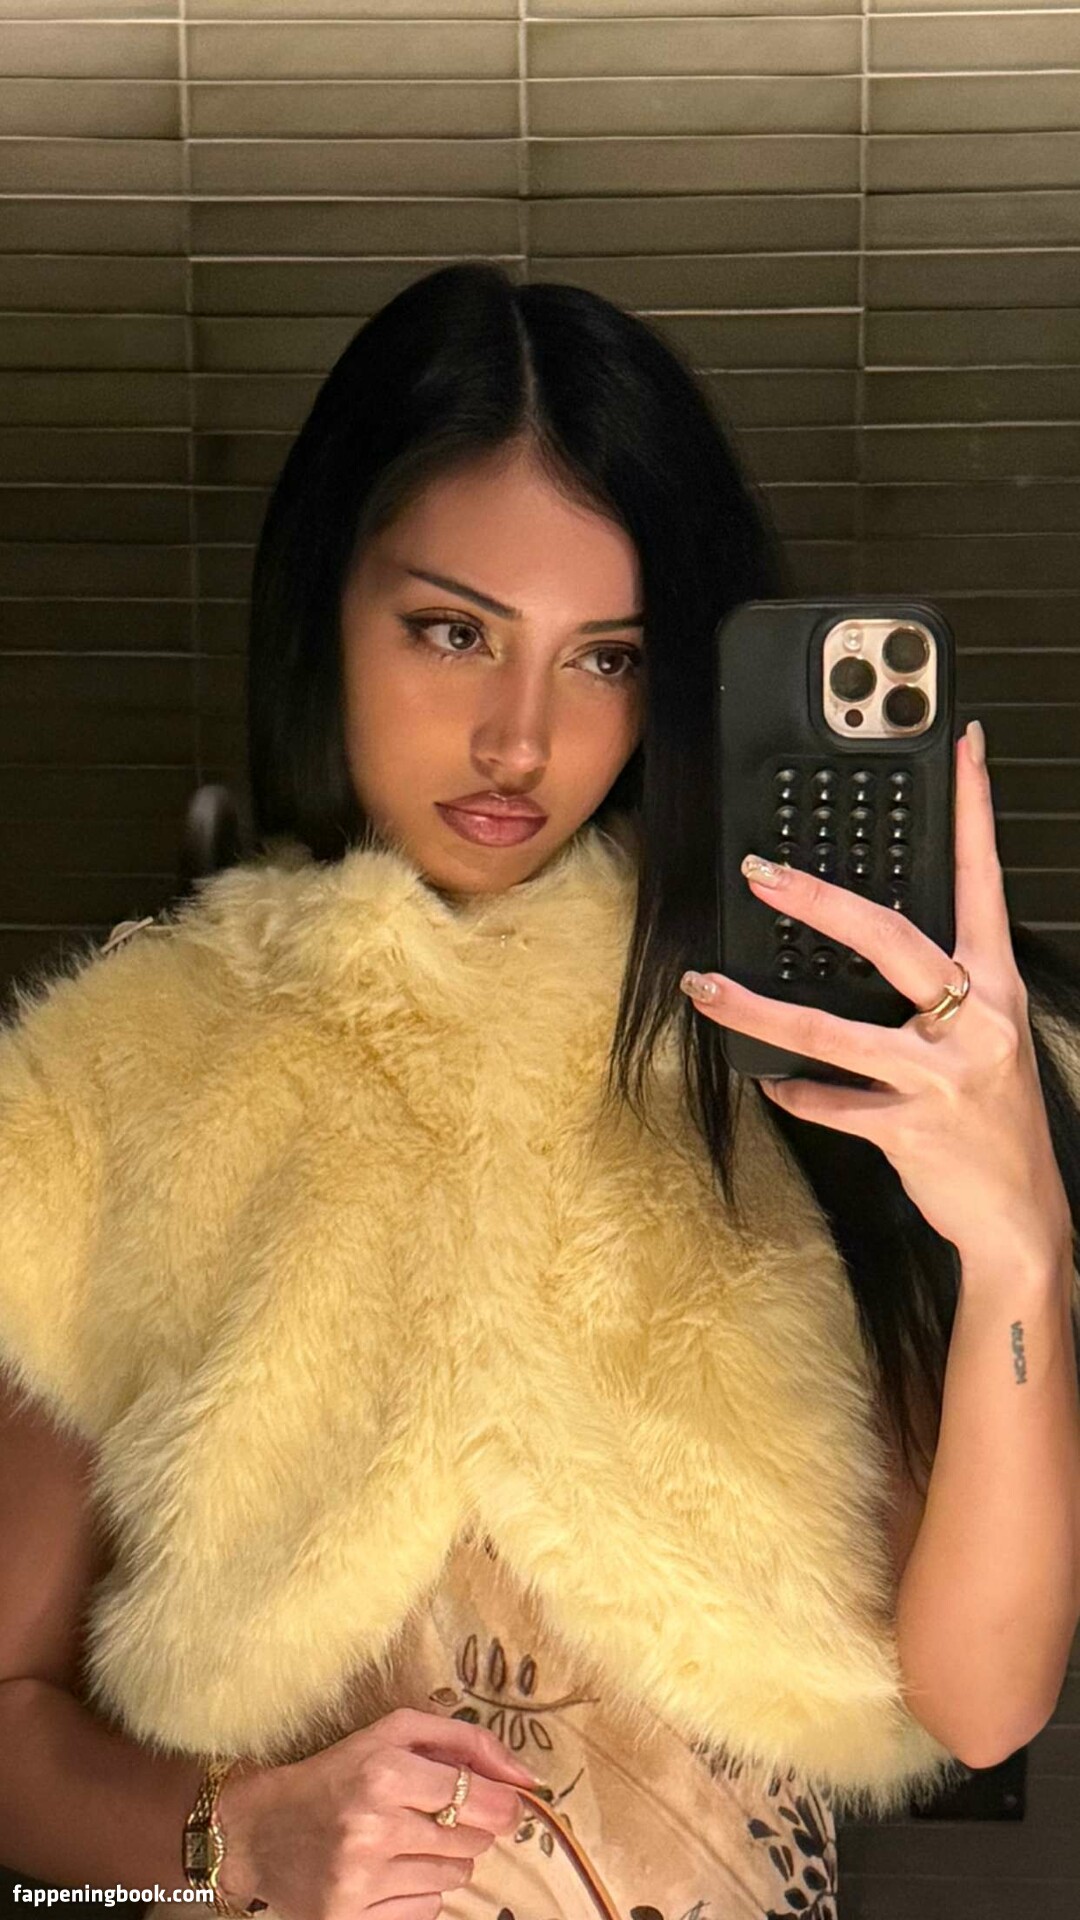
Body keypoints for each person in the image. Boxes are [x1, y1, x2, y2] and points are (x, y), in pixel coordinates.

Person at [1, 262, 1078, 1920]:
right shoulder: (123, 1073)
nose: (520, 738)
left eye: (605, 659)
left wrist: (1018, 1256)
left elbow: (985, 1702)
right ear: (323, 604)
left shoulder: (819, 1052)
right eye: (454, 632)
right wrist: (234, 1838)